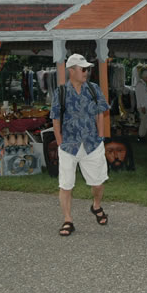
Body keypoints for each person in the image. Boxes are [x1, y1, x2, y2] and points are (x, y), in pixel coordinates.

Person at [50, 53, 111, 237]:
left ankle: (96, 205)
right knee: (65, 185)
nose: (86, 72)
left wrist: (100, 136)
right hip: (69, 146)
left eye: (87, 69)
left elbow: (101, 112)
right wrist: (60, 142)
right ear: (72, 71)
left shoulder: (93, 89)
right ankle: (68, 220)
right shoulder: (60, 92)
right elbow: (55, 118)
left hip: (92, 144)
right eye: (83, 69)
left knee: (98, 183)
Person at [135, 69, 147, 141]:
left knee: (145, 122)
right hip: (143, 107)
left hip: (144, 107)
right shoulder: (140, 85)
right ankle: (141, 136)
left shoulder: (143, 85)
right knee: (143, 122)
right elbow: (140, 96)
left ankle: (143, 135)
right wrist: (142, 106)